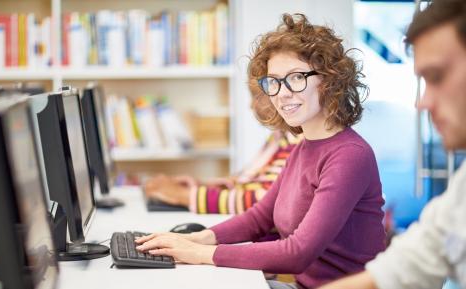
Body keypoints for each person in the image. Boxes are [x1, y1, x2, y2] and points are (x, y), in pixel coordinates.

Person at [135, 13, 386, 289]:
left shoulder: (350, 155)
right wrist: (195, 239)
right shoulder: (304, 147)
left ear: (328, 80)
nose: (282, 93)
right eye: (274, 82)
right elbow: (259, 218)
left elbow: (297, 253)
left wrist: (200, 254)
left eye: (296, 77)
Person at [318, 0, 466, 288]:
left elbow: (301, 247)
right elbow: (392, 274)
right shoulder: (461, 191)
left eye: (437, 77)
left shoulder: (350, 153)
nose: (421, 102)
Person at [143, 130, 300, 214]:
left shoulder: (297, 141)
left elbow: (265, 202)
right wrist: (204, 186)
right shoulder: (279, 136)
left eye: (257, 96)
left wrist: (185, 196)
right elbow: (250, 182)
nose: (251, 105)